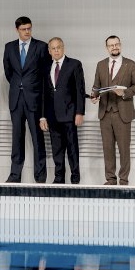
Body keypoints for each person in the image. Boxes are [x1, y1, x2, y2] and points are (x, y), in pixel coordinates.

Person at [90, 35, 135, 186]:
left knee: (124, 149)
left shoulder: (131, 65)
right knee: (107, 148)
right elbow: (96, 86)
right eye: (111, 45)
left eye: (117, 44)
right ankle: (110, 179)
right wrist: (94, 96)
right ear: (107, 48)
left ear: (120, 45)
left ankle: (124, 180)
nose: (114, 47)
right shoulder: (100, 65)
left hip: (123, 113)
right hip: (105, 112)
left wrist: (124, 92)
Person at [2, 16, 49, 183]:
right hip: (16, 98)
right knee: (17, 139)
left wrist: (29, 85)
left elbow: (45, 74)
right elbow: (9, 72)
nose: (27, 31)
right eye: (23, 29)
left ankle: (40, 177)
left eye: (29, 28)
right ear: (17, 30)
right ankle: (15, 176)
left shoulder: (41, 46)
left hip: (34, 98)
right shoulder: (9, 47)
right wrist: (19, 85)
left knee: (37, 139)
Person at [40, 37, 86, 184]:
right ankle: (59, 178)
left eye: (58, 47)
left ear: (63, 47)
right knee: (57, 149)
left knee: (72, 148)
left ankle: (75, 177)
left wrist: (79, 112)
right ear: (49, 51)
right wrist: (42, 116)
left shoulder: (74, 64)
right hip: (52, 116)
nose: (56, 51)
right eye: (53, 48)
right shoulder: (46, 67)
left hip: (69, 114)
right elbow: (43, 93)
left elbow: (80, 90)